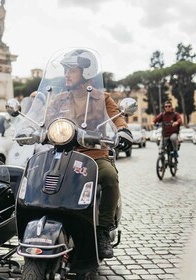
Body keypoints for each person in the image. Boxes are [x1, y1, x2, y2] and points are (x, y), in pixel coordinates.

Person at [46, 49, 133, 259]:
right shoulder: (59, 99)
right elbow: (46, 119)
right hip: (63, 155)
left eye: (72, 70)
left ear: (86, 73)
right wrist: (33, 129)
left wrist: (123, 131)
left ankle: (102, 229)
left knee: (110, 178)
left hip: (94, 155)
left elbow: (117, 118)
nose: (66, 74)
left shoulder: (102, 98)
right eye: (66, 69)